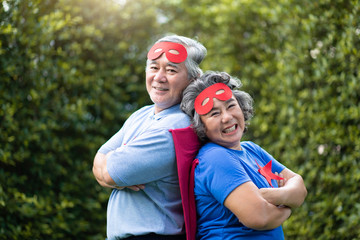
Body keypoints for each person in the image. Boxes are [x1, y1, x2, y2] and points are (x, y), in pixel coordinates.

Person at [92, 35, 207, 240]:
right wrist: (112, 170)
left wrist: (112, 170)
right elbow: (98, 162)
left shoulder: (174, 128)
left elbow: (107, 173)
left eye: (171, 70)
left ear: (194, 79)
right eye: (154, 67)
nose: (159, 77)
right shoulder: (143, 114)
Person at [180, 71, 307, 240]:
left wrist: (272, 197)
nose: (227, 117)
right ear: (201, 125)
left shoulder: (252, 149)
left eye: (231, 105)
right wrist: (289, 204)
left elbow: (300, 187)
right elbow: (260, 217)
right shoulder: (214, 157)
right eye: (214, 113)